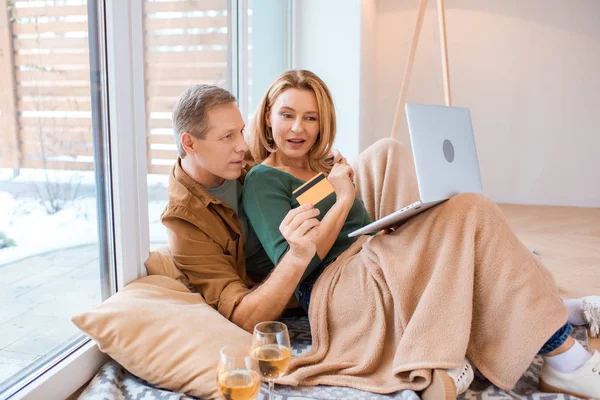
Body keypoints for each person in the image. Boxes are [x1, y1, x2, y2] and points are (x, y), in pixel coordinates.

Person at [239, 69, 600, 399]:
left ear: (322, 123)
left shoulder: (325, 167)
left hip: (369, 257)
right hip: (335, 288)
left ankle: (548, 322)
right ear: (269, 116)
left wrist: (400, 224)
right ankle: (565, 357)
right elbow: (295, 266)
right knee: (471, 210)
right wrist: (344, 199)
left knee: (461, 214)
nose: (297, 128)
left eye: (310, 118)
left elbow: (358, 227)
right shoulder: (263, 180)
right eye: (287, 115)